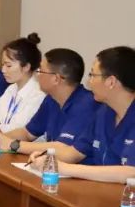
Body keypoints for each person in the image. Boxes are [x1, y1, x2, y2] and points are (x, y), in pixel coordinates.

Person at [29, 46, 135, 183]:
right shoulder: (104, 113)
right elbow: (74, 152)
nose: (89, 82)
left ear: (111, 82)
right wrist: (47, 157)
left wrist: (64, 168)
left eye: (93, 75)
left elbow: (131, 172)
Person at [0, 48, 97, 156]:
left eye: (40, 70)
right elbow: (27, 133)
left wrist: (14, 145)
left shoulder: (87, 104)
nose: (37, 75)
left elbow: (62, 147)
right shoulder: (51, 99)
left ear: (56, 79)